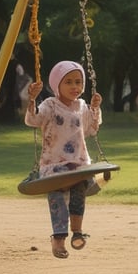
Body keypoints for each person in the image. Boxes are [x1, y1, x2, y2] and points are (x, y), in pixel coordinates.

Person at [26, 60, 102, 259]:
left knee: (79, 194)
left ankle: (77, 232)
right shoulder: (50, 105)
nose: (75, 87)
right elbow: (33, 120)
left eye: (78, 82)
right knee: (57, 198)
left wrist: (95, 108)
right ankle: (58, 239)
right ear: (57, 84)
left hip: (78, 163)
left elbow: (91, 129)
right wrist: (32, 99)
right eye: (68, 82)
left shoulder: (82, 106)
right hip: (55, 165)